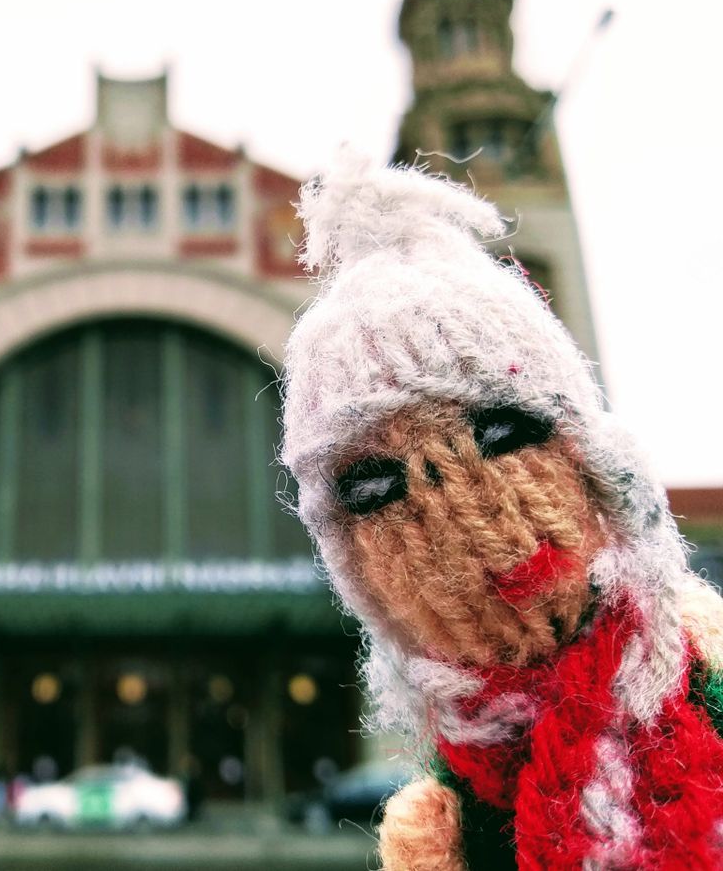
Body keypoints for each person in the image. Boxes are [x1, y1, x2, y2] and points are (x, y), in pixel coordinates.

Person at [280, 151, 723, 869]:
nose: (466, 512)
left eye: (501, 434)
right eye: (379, 488)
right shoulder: (452, 809)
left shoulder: (699, 671)